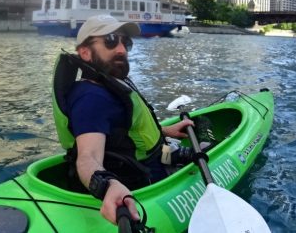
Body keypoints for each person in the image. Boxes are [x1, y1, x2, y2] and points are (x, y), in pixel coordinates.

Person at [51, 15, 197, 225]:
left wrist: (166, 130)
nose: (121, 49)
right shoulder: (91, 99)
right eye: (110, 40)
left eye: (125, 42)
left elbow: (122, 131)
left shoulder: (106, 86)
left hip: (154, 159)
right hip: (145, 183)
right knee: (203, 147)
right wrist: (108, 185)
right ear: (85, 52)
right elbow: (87, 157)